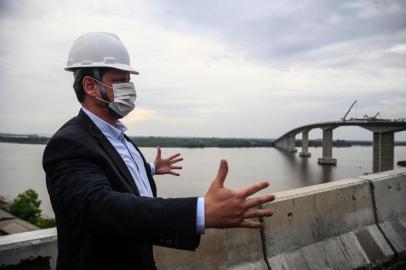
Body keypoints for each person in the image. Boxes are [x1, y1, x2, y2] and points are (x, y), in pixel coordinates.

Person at [42, 32, 275, 270]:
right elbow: (98, 207)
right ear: (90, 86)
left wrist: (152, 168)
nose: (129, 89)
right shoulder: (69, 143)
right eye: (120, 81)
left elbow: (118, 176)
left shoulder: (119, 139)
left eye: (129, 81)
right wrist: (200, 212)